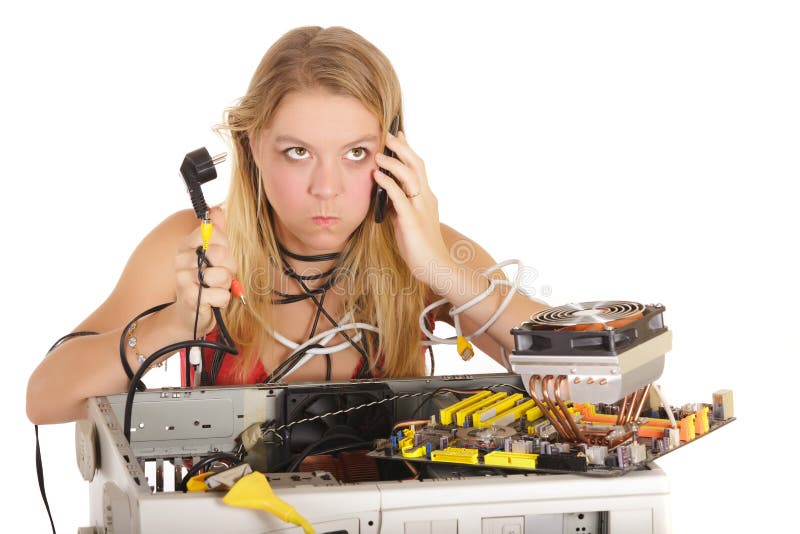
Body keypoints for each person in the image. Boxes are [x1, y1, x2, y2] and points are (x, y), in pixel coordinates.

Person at [26, 26, 547, 425]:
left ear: (393, 154)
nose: (327, 188)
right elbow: (45, 399)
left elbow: (588, 384)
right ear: (253, 145)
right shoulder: (199, 243)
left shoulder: (423, 248)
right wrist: (173, 325)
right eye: (298, 152)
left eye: (355, 153)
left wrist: (441, 271)